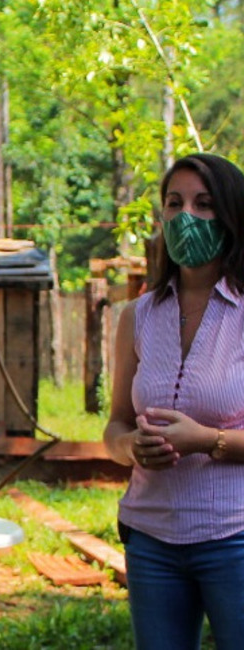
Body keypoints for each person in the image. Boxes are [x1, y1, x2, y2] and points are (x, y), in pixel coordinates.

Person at [104, 152, 244, 649]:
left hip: (234, 537)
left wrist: (206, 440)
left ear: (231, 216)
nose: (186, 216)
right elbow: (115, 426)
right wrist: (130, 448)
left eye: (204, 204)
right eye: (174, 203)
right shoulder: (137, 316)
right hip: (150, 540)